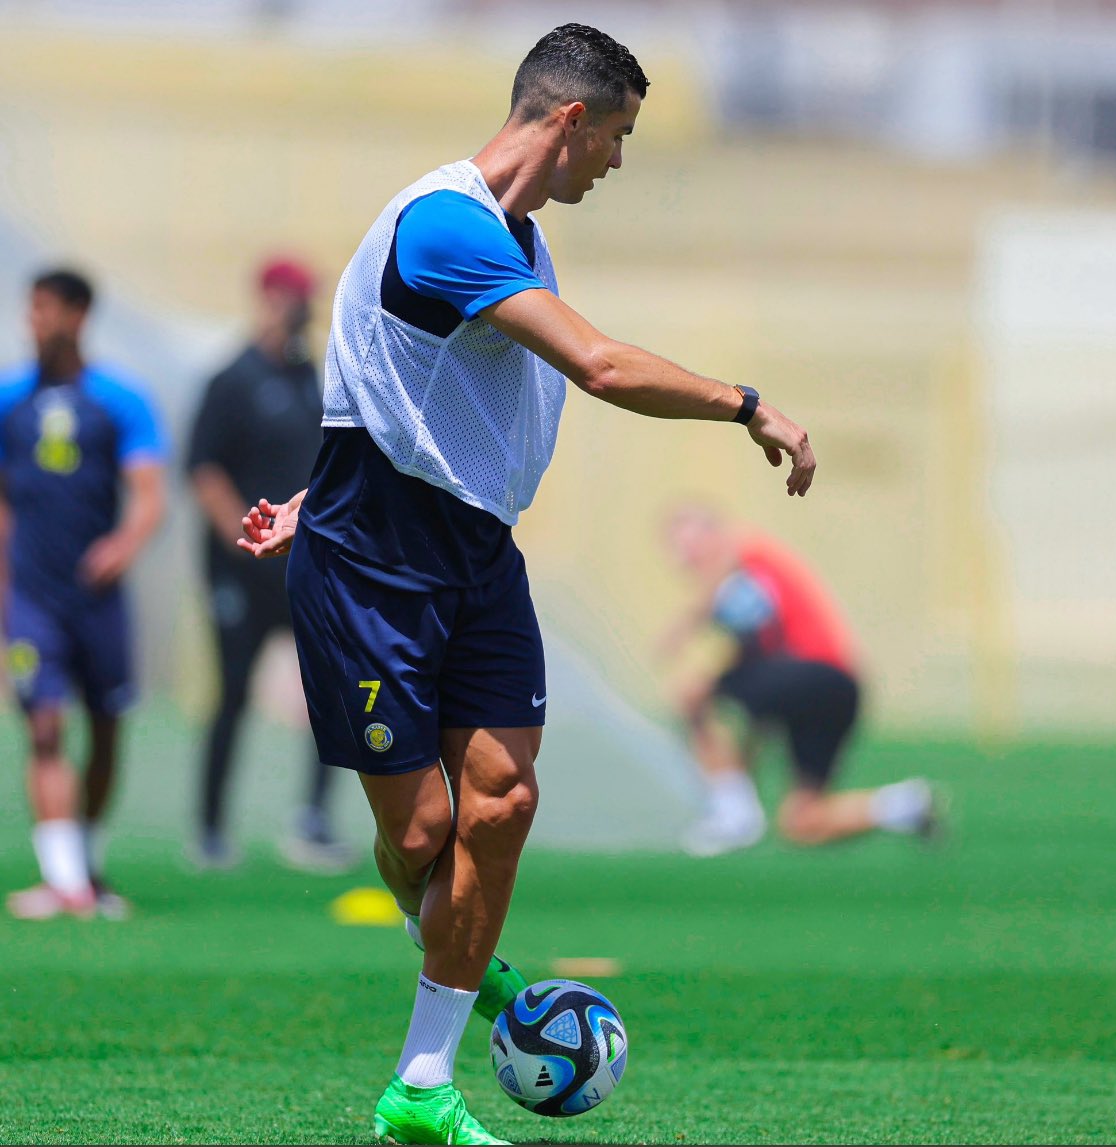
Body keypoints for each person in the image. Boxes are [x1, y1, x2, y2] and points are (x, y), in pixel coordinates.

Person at [238, 24, 815, 1145]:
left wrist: (318, 487)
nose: (616, 163)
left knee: (501, 802)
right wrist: (749, 405)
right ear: (568, 122)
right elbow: (597, 367)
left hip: (475, 559)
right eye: (619, 139)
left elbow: (401, 382)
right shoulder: (448, 224)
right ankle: (463, 953)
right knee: (417, 841)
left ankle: (420, 1088)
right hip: (372, 573)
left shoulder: (518, 237)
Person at [0, 268, 167, 920]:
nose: (35, 321)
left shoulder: (119, 400)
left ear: (78, 315)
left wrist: (122, 545)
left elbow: (149, 495)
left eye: (46, 309)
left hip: (98, 598)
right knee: (43, 724)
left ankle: (85, 865)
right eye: (31, 308)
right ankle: (64, 881)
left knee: (105, 726)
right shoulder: (11, 398)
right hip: (33, 597)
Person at [186, 258, 353, 872]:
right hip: (241, 570)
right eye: (287, 298)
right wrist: (248, 536)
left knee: (328, 692)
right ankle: (209, 829)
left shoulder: (315, 378)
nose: (296, 309)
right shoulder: (232, 378)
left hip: (305, 565)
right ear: (264, 298)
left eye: (303, 299)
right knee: (230, 694)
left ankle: (311, 822)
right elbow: (204, 470)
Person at [660, 505, 940, 856]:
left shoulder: (746, 557)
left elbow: (739, 607)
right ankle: (904, 805)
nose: (686, 560)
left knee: (693, 694)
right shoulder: (752, 589)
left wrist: (684, 628)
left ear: (714, 534)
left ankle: (734, 818)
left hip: (811, 672)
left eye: (690, 547)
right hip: (839, 688)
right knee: (803, 822)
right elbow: (756, 675)